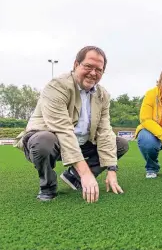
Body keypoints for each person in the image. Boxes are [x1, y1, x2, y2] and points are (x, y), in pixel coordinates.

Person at [14, 46, 129, 203]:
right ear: (76, 64)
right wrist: (86, 174)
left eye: (99, 69)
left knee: (120, 144)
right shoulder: (56, 87)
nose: (93, 73)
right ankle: (48, 187)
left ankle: (73, 176)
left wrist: (112, 169)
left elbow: (105, 131)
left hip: (81, 142)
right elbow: (62, 130)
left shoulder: (103, 95)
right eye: (88, 66)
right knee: (43, 142)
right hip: (53, 139)